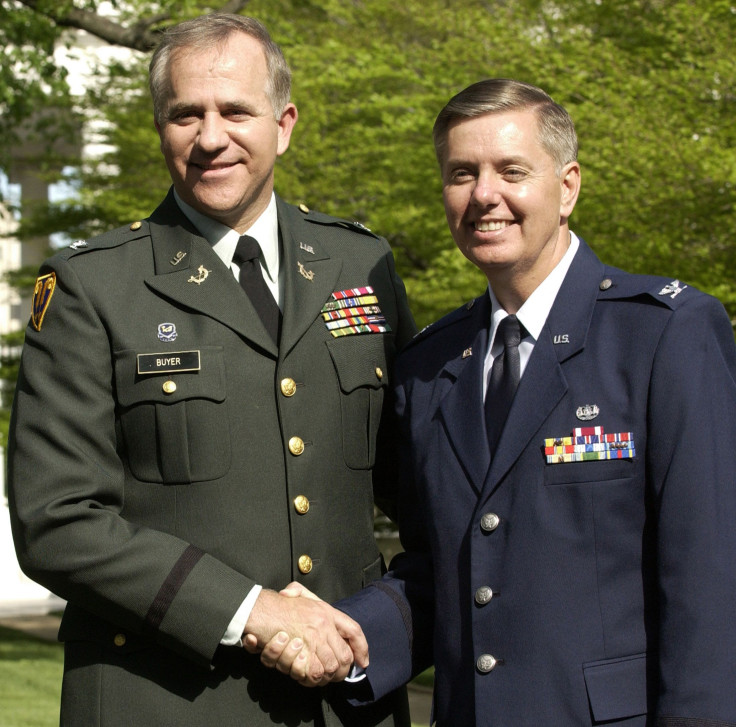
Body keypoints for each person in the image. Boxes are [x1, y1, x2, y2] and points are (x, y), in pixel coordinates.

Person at [259, 79, 736, 725]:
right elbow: (444, 572)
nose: (485, 194)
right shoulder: (429, 367)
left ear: (567, 186)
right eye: (462, 173)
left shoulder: (662, 335)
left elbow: (710, 582)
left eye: (511, 170)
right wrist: (348, 634)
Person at [7, 13, 414, 727]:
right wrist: (251, 610)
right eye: (185, 114)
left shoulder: (361, 265)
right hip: (164, 700)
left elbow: (426, 488)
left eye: (236, 110)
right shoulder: (90, 288)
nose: (211, 137)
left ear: (284, 124)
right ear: (160, 128)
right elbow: (57, 520)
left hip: (346, 703)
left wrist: (382, 620)